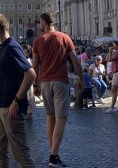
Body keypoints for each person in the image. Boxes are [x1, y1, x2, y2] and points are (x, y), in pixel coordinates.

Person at [32, 12, 83, 168]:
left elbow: (35, 66)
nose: (39, 25)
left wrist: (35, 85)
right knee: (61, 119)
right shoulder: (64, 37)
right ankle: (54, 156)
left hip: (45, 82)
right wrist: (81, 79)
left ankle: (53, 153)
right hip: (61, 81)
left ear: (45, 23)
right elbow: (75, 61)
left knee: (50, 117)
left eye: (40, 22)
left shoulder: (38, 40)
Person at [0, 13, 36, 168]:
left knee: (21, 155)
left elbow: (30, 74)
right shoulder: (3, 48)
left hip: (10, 108)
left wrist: (16, 101)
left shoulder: (12, 47)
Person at [105, 41, 118, 114]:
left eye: (114, 45)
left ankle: (112, 107)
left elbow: (110, 60)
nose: (113, 47)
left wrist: (110, 52)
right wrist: (110, 52)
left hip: (117, 73)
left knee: (113, 91)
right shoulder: (117, 52)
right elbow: (107, 59)